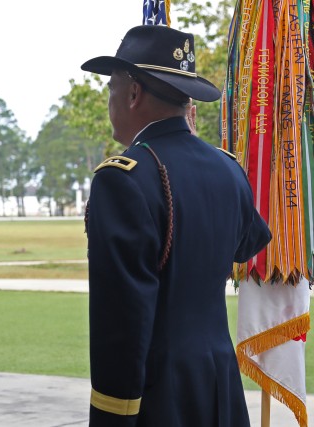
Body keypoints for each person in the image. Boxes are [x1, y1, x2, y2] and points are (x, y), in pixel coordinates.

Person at [81, 26, 271, 426]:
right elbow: (249, 241)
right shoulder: (227, 168)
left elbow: (122, 322)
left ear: (133, 93)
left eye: (112, 88)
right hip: (220, 386)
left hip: (158, 399)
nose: (110, 100)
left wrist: (113, 417)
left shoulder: (123, 180)